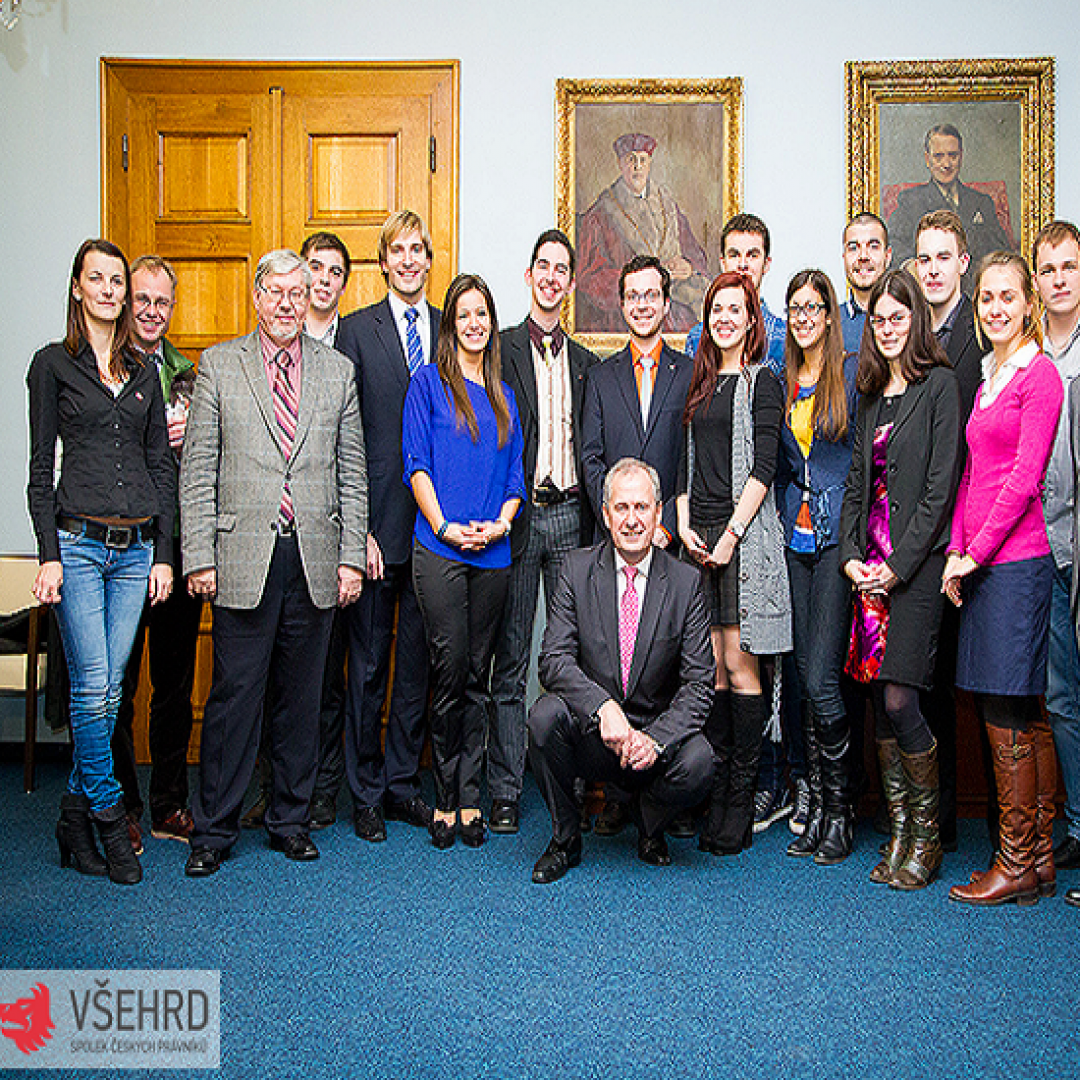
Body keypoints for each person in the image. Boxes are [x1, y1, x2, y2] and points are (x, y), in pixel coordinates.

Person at [180, 248, 367, 877]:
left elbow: (354, 475)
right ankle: (214, 829)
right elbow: (198, 468)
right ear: (258, 297)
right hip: (242, 558)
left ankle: (290, 819)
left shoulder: (337, 372)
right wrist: (198, 555)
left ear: (310, 293)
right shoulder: (219, 367)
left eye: (298, 291)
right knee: (234, 699)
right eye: (276, 292)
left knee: (303, 700)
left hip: (313, 561)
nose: (288, 303)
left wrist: (349, 560)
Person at [28, 238, 176, 886]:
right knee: (94, 687)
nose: (112, 291)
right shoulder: (52, 366)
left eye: (118, 280)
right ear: (78, 288)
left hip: (136, 550)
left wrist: (165, 554)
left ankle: (70, 813)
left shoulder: (144, 372)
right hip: (80, 546)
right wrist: (49, 555)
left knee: (111, 691)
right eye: (101, 280)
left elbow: (159, 466)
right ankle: (110, 817)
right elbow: (39, 471)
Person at [528, 458, 715, 882]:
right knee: (543, 717)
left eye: (642, 508)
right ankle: (565, 839)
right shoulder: (576, 571)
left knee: (700, 759)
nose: (632, 520)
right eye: (622, 508)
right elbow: (553, 659)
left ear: (659, 512)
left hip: (651, 739)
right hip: (595, 735)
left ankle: (648, 825)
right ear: (607, 514)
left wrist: (655, 739)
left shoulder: (686, 584)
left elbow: (700, 685)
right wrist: (601, 707)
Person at [946, 251, 1062, 907]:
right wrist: (958, 550)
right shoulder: (992, 374)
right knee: (1014, 706)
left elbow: (1022, 481)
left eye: (1005, 297)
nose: (993, 307)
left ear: (1028, 304)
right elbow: (974, 473)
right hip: (986, 562)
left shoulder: (1038, 375)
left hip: (1019, 561)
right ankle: (1038, 856)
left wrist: (976, 552)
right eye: (985, 297)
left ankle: (1016, 860)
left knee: (1008, 707)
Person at [840, 269, 961, 891]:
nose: (887, 329)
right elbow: (858, 489)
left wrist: (896, 567)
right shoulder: (869, 397)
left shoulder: (939, 387)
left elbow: (940, 491)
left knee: (900, 698)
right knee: (878, 711)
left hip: (915, 571)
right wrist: (851, 559)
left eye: (898, 317)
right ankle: (900, 836)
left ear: (916, 319)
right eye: (879, 319)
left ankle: (929, 839)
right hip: (870, 573)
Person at [403, 273, 525, 850]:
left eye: (483, 314)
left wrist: (500, 523)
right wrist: (445, 525)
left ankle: (471, 798)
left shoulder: (504, 396)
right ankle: (444, 797)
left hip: (494, 553)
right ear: (450, 325)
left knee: (481, 676)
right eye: (464, 315)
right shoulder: (427, 385)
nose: (474, 324)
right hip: (439, 549)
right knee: (448, 675)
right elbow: (416, 465)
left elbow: (515, 479)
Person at [488, 229, 600, 833]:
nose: (553, 278)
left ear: (572, 283)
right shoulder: (500, 349)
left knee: (574, 659)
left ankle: (574, 781)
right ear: (529, 276)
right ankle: (506, 787)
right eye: (544, 267)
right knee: (511, 658)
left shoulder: (586, 364)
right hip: (519, 517)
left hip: (572, 518)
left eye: (563, 270)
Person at [677, 270, 791, 855]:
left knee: (743, 666)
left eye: (735, 309)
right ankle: (717, 794)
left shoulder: (762, 382)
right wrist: (684, 526)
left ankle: (741, 803)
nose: (724, 317)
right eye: (716, 309)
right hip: (701, 541)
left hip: (745, 541)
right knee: (713, 669)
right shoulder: (700, 384)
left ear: (752, 319)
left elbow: (763, 470)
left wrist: (729, 536)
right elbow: (683, 467)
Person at [579, 254, 693, 836]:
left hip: (670, 541)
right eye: (633, 295)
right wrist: (622, 521)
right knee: (617, 663)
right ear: (621, 304)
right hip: (618, 541)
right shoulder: (600, 378)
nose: (643, 305)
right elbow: (591, 457)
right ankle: (619, 792)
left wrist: (665, 520)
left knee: (665, 668)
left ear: (666, 303)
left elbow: (696, 458)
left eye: (653, 295)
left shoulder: (689, 372)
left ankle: (663, 792)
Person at [335, 211, 439, 843]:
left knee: (417, 670)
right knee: (369, 667)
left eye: (417, 249)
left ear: (429, 259)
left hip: (433, 529)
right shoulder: (355, 331)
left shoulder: (448, 329)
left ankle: (402, 785)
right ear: (384, 262)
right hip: (375, 530)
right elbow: (345, 437)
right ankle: (366, 791)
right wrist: (358, 530)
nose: (407, 260)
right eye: (396, 250)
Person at [112, 255, 199, 851]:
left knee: (174, 684)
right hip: (116, 550)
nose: (150, 311)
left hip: (177, 544)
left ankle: (169, 801)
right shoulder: (101, 366)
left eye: (161, 302)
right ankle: (120, 804)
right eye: (141, 299)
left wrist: (191, 433)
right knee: (114, 684)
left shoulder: (187, 373)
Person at [775, 270, 859, 864]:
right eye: (795, 308)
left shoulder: (851, 374)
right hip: (795, 542)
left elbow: (863, 464)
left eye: (814, 307)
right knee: (804, 675)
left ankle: (841, 813)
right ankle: (820, 813)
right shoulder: (785, 377)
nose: (804, 317)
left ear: (829, 314)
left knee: (825, 678)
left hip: (835, 542)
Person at [1032, 221, 1080, 878]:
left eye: (1070, 267)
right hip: (1042, 549)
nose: (1060, 279)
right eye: (1050, 269)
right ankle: (1076, 826)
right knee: (1062, 699)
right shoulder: (1021, 353)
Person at [576, 133, 710, 333]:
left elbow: (695, 254)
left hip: (674, 311)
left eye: (642, 160)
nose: (637, 166)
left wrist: (688, 267)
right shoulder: (601, 214)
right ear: (620, 165)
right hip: (626, 317)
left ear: (649, 164)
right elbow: (589, 279)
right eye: (631, 160)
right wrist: (639, 279)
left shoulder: (668, 206)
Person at [887, 123, 1013, 290]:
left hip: (975, 292)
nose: (946, 164)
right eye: (938, 156)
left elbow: (1001, 251)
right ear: (927, 159)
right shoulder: (911, 201)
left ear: (961, 156)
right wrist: (911, 266)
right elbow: (894, 244)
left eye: (952, 155)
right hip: (929, 292)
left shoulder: (982, 203)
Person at [685, 214, 787, 376]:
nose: (743, 264)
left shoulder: (784, 337)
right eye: (734, 255)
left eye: (752, 255)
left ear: (766, 264)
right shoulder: (697, 337)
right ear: (723, 263)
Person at [840, 213, 893, 354]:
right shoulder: (830, 323)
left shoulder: (907, 321)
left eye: (873, 246)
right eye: (853, 248)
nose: (863, 256)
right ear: (844, 258)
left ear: (887, 256)